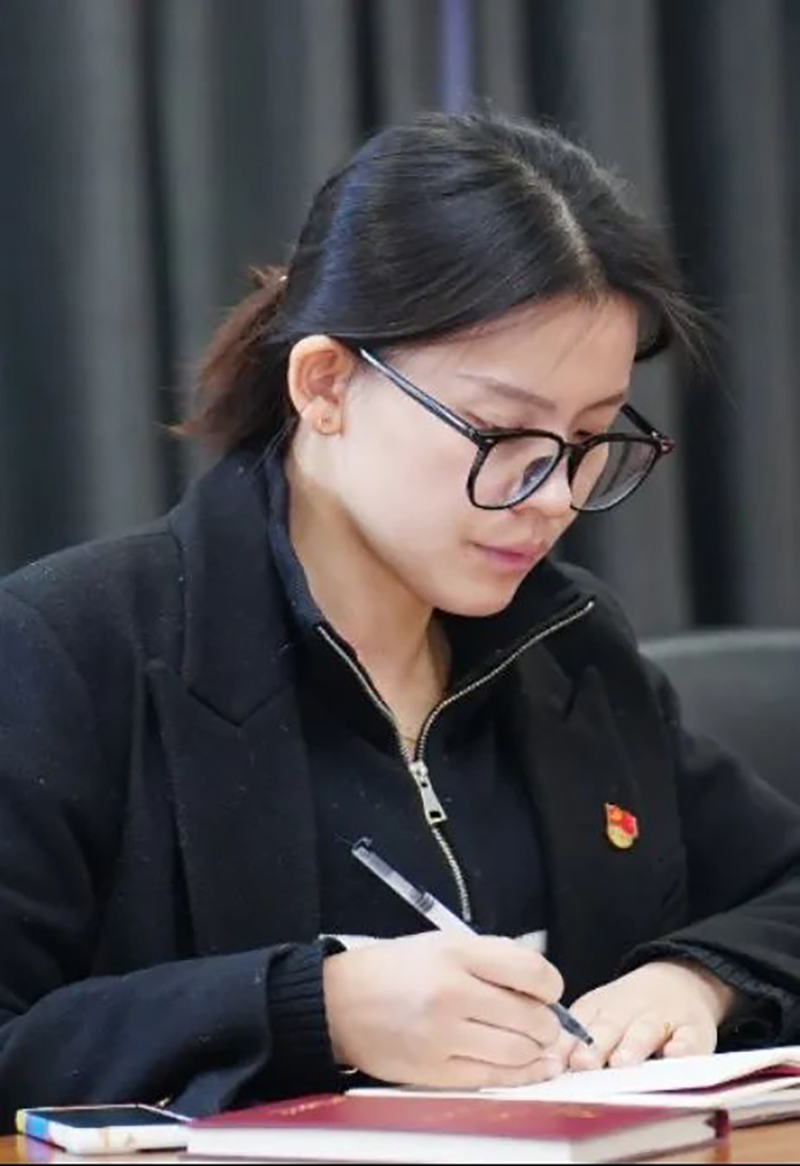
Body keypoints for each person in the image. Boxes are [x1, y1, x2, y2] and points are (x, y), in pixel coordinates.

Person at [1, 109, 799, 1130]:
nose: (553, 495)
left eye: (590, 438)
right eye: (502, 434)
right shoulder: (69, 651)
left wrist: (697, 976)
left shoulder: (569, 650)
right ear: (325, 383)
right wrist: (313, 1007)